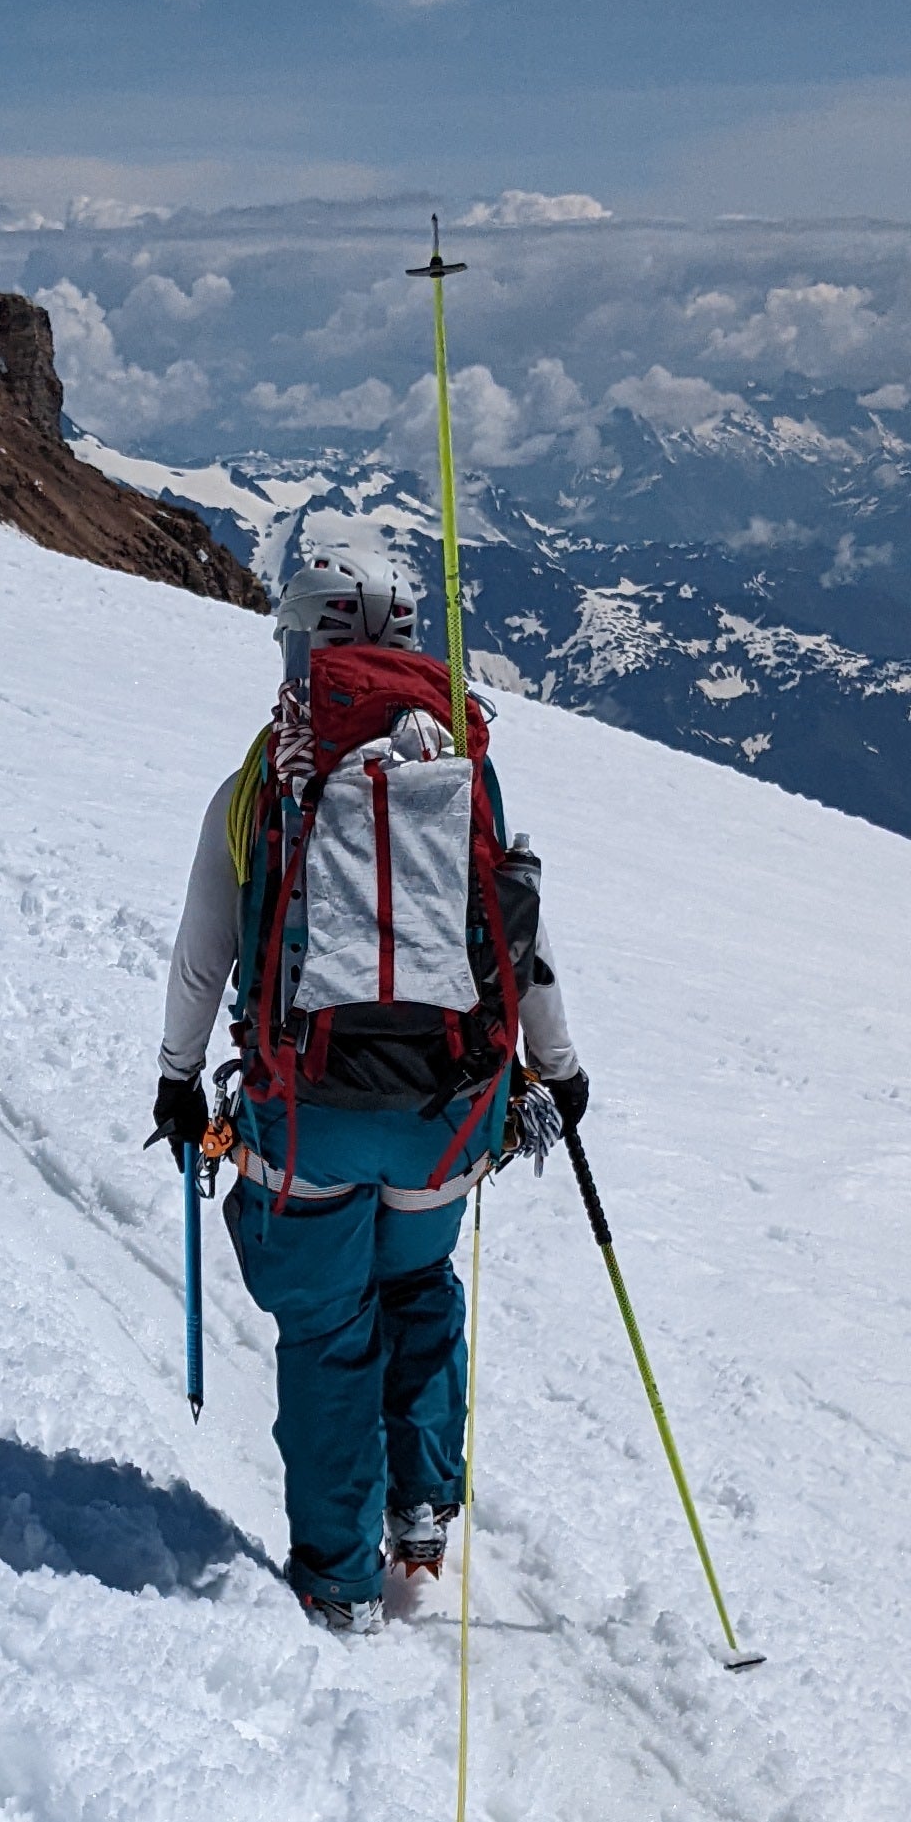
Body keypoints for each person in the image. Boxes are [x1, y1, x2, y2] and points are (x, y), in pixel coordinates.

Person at [153, 548, 587, 1634]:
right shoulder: (468, 776)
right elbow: (519, 945)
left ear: (303, 642)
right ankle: (424, 1513)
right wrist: (562, 1072)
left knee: (329, 1335)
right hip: (448, 1122)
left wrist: (175, 1080)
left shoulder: (265, 780)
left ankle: (337, 1579)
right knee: (420, 1289)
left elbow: (206, 955)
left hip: (305, 1120)